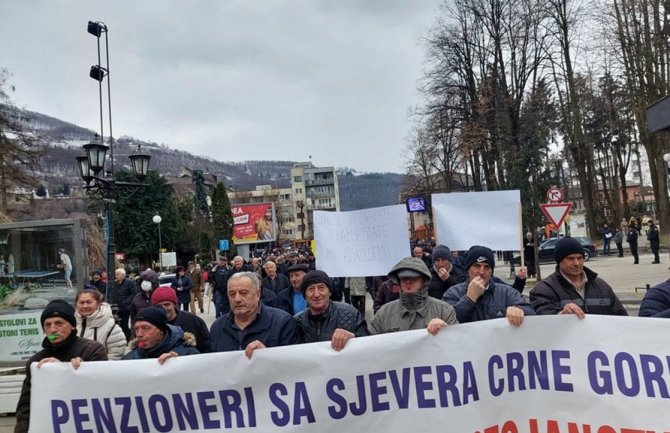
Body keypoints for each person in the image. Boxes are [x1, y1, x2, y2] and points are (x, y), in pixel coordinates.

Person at [14, 300, 108, 433]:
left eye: (59, 323)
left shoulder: (92, 350)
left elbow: (103, 392)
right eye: (47, 325)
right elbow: (26, 405)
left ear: (73, 326)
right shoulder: (36, 362)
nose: (53, 329)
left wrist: (69, 371)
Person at [530, 236, 628, 317]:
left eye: (580, 258)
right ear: (559, 261)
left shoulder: (601, 286)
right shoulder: (543, 289)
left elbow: (622, 318)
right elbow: (543, 320)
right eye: (570, 259)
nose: (577, 263)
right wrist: (561, 314)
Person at [210, 272, 299, 357]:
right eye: (232, 294)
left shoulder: (283, 323)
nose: (237, 299)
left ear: (257, 294)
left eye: (243, 293)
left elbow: (292, 365)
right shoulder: (217, 327)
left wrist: (268, 356)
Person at [443, 246, 534, 326]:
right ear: (468, 269)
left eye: (487, 267)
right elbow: (447, 320)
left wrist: (520, 310)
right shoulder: (453, 293)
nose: (482, 272)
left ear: (492, 271)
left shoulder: (506, 292)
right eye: (477, 266)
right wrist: (469, 299)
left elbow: (532, 313)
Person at [370, 257, 458, 334]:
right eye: (404, 278)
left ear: (424, 281)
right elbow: (369, 344)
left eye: (413, 278)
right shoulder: (384, 313)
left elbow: (457, 344)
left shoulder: (444, 311)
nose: (408, 282)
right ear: (398, 282)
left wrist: (447, 330)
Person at [294, 270, 368, 350]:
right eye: (311, 289)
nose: (316, 294)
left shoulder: (351, 313)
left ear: (329, 291)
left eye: (321, 288)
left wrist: (353, 337)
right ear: (305, 295)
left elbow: (369, 344)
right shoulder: (297, 321)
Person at [123, 306, 199, 362]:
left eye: (145, 328)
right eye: (136, 329)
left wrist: (178, 362)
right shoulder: (129, 360)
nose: (139, 334)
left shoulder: (189, 354)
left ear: (161, 331)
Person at [151, 286, 211, 353]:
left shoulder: (192, 320)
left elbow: (207, 346)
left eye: (167, 304)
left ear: (174, 304)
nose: (164, 308)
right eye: (159, 306)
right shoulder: (151, 325)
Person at [75, 289, 127, 360]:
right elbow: (54, 337)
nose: (85, 306)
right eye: (81, 302)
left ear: (98, 303)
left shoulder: (112, 328)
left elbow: (115, 357)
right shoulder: (69, 324)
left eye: (89, 302)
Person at [114, 268, 137, 340]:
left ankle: (127, 338)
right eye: (116, 274)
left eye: (117, 274)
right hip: (117, 307)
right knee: (119, 325)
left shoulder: (129, 283)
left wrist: (127, 301)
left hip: (126, 307)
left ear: (123, 275)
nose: (116, 276)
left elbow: (134, 293)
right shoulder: (115, 283)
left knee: (124, 324)